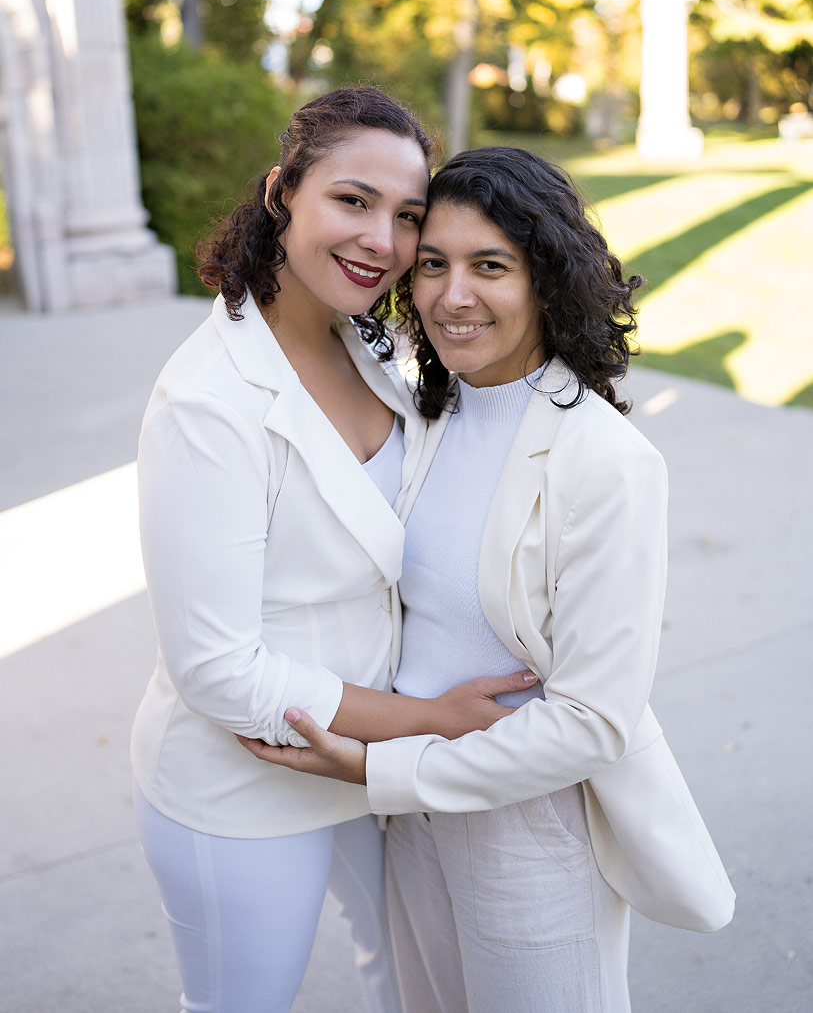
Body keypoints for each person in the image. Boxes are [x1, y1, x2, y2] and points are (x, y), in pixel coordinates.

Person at [239, 145, 735, 1013]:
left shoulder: (606, 462)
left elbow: (592, 719)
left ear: (546, 278)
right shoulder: (423, 412)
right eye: (431, 264)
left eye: (489, 267)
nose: (450, 295)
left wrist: (377, 768)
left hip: (524, 825)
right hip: (410, 821)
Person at [130, 95, 534, 1013]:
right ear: (282, 193)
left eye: (405, 216)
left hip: (373, 767)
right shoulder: (208, 403)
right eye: (352, 201)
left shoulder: (370, 342)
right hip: (251, 772)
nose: (382, 241)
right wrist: (423, 718)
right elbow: (218, 669)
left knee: (406, 981)